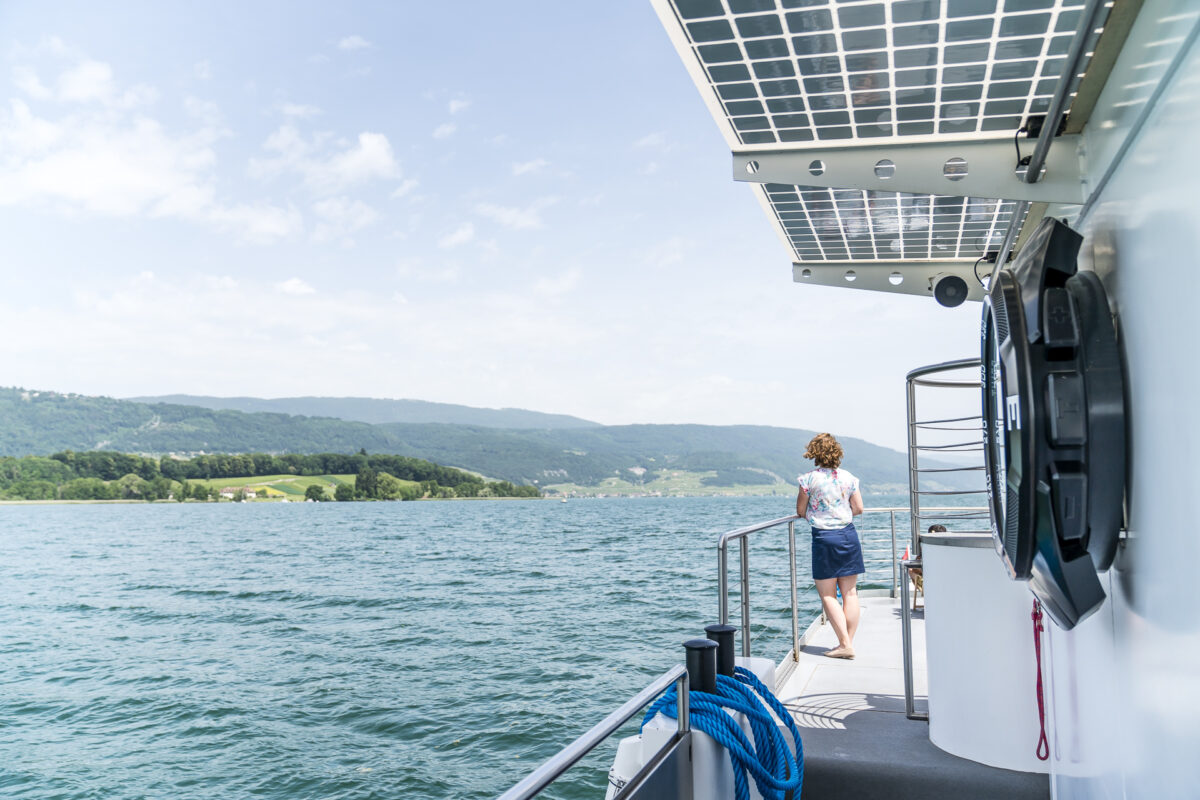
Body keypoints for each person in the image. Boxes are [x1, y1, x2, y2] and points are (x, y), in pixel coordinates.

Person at [796, 433, 864, 659]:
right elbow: (858, 508)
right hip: (848, 536)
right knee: (850, 593)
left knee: (828, 595)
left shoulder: (808, 480)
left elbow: (800, 511)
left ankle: (845, 644)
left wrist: (818, 515)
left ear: (814, 453)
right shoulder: (849, 478)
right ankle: (848, 643)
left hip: (824, 538)